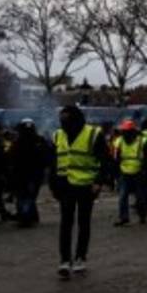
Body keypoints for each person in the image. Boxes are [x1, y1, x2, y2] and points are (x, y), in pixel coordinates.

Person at [50, 105, 111, 278]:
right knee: (66, 223)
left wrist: (99, 182)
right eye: (62, 120)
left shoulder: (93, 134)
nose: (63, 124)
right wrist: (53, 186)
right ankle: (64, 260)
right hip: (65, 184)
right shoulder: (57, 135)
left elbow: (104, 160)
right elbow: (53, 163)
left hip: (86, 185)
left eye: (66, 120)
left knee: (83, 223)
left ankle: (80, 257)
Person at [10, 119, 49, 227]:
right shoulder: (39, 141)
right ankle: (31, 216)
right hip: (35, 174)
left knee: (23, 196)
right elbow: (47, 156)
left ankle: (25, 217)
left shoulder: (18, 142)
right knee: (30, 196)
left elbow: (11, 157)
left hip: (21, 174)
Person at [112, 120, 147, 226]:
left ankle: (142, 215)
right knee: (123, 196)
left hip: (138, 172)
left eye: (127, 131)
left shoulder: (142, 141)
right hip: (124, 172)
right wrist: (116, 173)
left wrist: (144, 170)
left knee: (139, 196)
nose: (125, 133)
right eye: (124, 131)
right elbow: (116, 158)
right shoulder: (119, 141)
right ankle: (124, 217)